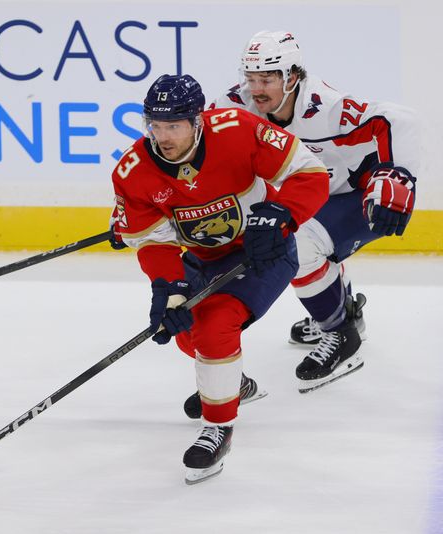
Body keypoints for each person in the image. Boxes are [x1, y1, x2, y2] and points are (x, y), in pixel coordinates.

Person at [109, 73, 328, 484]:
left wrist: (282, 213)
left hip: (261, 255)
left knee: (214, 326)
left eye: (173, 126)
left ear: (198, 121)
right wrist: (168, 287)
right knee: (184, 331)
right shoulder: (133, 170)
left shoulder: (238, 129)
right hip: (202, 258)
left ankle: (218, 427)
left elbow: (310, 172)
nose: (163, 136)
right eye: (155, 126)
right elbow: (154, 241)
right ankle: (234, 384)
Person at [211, 31, 419, 393]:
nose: (257, 88)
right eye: (251, 77)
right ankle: (345, 314)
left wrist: (395, 175)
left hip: (359, 195)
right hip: (316, 195)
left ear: (292, 76)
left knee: (300, 244)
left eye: (268, 78)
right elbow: (192, 145)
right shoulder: (235, 107)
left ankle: (340, 335)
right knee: (299, 235)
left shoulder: (326, 107)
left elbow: (398, 121)